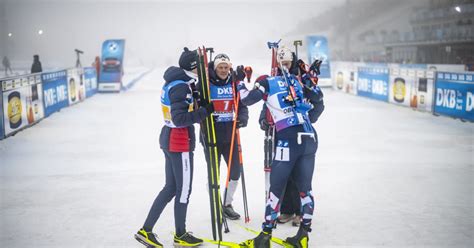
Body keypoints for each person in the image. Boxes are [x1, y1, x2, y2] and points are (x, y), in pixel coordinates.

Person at [239, 47, 325, 248]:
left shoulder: (266, 81)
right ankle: (303, 235)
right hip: (309, 136)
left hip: (288, 138)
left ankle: (265, 237)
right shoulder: (298, 81)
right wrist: (308, 78)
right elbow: (318, 99)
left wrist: (239, 82)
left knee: (276, 187)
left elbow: (245, 99)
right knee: (305, 188)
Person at [135, 47, 214, 247]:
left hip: (170, 138)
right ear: (193, 68)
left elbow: (180, 108)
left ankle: (146, 230)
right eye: (201, 67)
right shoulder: (181, 87)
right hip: (179, 142)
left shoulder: (178, 81)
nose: (203, 70)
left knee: (171, 188)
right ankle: (180, 235)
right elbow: (180, 119)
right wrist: (204, 112)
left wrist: (197, 101)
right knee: (183, 189)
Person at [197, 53, 249, 220]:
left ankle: (226, 203)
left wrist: (242, 118)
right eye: (220, 67)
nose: (223, 70)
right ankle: (215, 202)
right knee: (214, 173)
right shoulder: (205, 83)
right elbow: (196, 106)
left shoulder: (234, 83)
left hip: (230, 135)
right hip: (211, 135)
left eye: (226, 67)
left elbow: (242, 105)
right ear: (215, 67)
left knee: (235, 171)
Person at [258, 52, 302, 227]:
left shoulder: (298, 79)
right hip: (278, 133)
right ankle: (287, 209)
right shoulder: (274, 80)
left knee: (297, 173)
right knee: (281, 172)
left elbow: (309, 103)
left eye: (287, 63)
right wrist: (263, 118)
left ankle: (299, 211)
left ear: (292, 63)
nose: (284, 66)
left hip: (295, 132)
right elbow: (267, 102)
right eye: (281, 63)